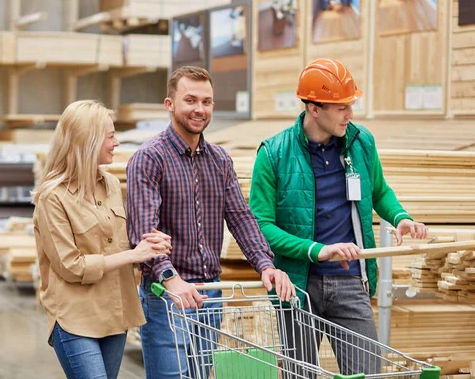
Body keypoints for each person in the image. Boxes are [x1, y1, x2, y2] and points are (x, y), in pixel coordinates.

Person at [249, 58, 428, 376]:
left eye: (351, 104)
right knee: (299, 375)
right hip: (298, 286)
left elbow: (379, 191)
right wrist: (317, 249)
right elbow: (261, 227)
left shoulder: (361, 143)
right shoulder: (273, 154)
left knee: (367, 372)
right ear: (314, 108)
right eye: (341, 107)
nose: (350, 114)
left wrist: (400, 217)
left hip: (350, 281)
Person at [126, 65, 295, 379]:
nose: (199, 109)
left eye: (206, 102)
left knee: (201, 376)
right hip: (167, 296)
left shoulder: (220, 160)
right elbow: (143, 230)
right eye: (190, 100)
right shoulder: (149, 158)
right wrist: (169, 277)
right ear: (170, 104)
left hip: (210, 295)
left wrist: (265, 264)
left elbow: (241, 218)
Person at [32, 100, 172, 379]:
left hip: (114, 313)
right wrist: (134, 255)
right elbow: (70, 266)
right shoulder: (52, 198)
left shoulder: (109, 184)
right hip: (75, 319)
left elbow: (117, 243)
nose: (117, 142)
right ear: (88, 141)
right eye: (110, 136)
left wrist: (147, 246)